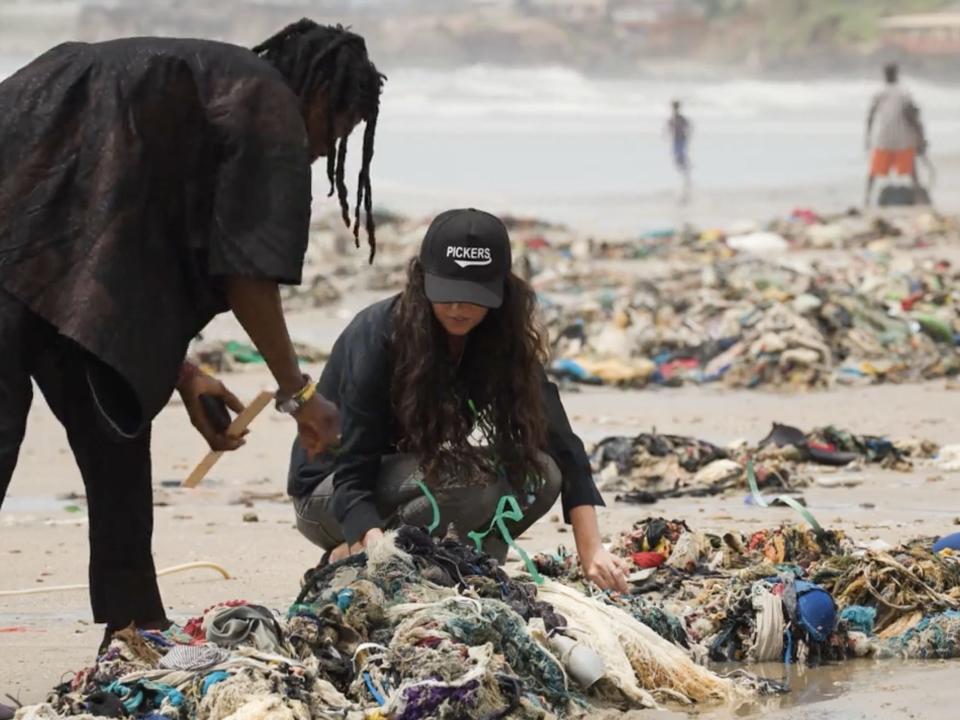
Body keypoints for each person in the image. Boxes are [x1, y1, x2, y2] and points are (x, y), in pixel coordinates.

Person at [0, 20, 383, 636]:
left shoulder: (206, 89)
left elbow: (112, 252)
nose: (323, 151)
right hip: (25, 250)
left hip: (39, 247)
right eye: (336, 132)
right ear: (318, 97)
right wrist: (300, 395)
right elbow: (247, 272)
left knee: (116, 429)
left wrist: (180, 372)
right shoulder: (269, 105)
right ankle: (136, 625)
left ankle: (135, 629)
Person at [288, 209, 630, 593]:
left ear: (501, 291)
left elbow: (562, 443)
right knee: (467, 479)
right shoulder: (377, 336)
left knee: (542, 473)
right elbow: (353, 470)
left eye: (474, 296)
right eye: (447, 292)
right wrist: (371, 545)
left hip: (406, 480)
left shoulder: (499, 340)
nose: (458, 308)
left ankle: (457, 563)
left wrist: (592, 550)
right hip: (331, 494)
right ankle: (353, 557)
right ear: (423, 281)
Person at [864, 62, 927, 206]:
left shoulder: (885, 93)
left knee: (876, 172)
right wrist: (920, 136)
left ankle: (866, 199)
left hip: (887, 139)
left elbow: (870, 117)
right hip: (899, 139)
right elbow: (913, 116)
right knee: (911, 172)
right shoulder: (900, 93)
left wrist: (867, 138)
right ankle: (919, 200)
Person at [666, 100, 692, 202]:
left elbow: (688, 127)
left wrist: (687, 136)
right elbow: (669, 127)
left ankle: (686, 174)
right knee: (678, 158)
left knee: (679, 157)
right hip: (676, 140)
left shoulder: (680, 118)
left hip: (680, 140)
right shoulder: (673, 118)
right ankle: (685, 172)